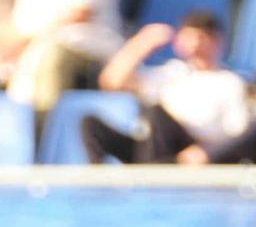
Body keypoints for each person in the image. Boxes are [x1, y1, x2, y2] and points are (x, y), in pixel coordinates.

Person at [81, 11, 251, 163]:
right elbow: (112, 82)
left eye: (201, 37)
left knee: (157, 115)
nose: (194, 44)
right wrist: (141, 44)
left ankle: (155, 177)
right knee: (91, 125)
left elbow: (237, 132)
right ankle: (101, 186)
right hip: (154, 146)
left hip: (194, 151)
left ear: (216, 40)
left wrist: (205, 151)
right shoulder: (171, 73)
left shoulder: (229, 82)